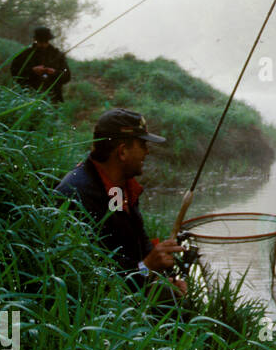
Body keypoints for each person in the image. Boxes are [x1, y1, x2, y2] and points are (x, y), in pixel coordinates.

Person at [55, 108, 187, 296]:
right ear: (123, 151)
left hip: (129, 292)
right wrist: (148, 268)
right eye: (142, 144)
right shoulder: (76, 197)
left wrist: (162, 278)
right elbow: (95, 286)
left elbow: (133, 250)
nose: (147, 152)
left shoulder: (118, 188)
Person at [9, 26, 71, 103]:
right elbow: (14, 72)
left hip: (52, 99)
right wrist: (32, 71)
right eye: (40, 41)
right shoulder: (25, 54)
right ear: (35, 40)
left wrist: (55, 73)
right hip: (27, 97)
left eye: (45, 41)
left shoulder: (57, 55)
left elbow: (67, 76)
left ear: (48, 41)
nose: (43, 44)